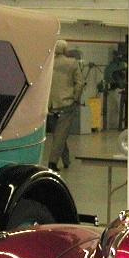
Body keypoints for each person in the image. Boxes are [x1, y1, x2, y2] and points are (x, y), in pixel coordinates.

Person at [47, 38, 84, 171]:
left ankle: (66, 160)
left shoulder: (48, 63)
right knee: (60, 134)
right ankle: (52, 162)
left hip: (51, 105)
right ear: (65, 49)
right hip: (66, 103)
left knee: (60, 133)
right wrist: (75, 98)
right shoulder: (72, 63)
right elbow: (80, 83)